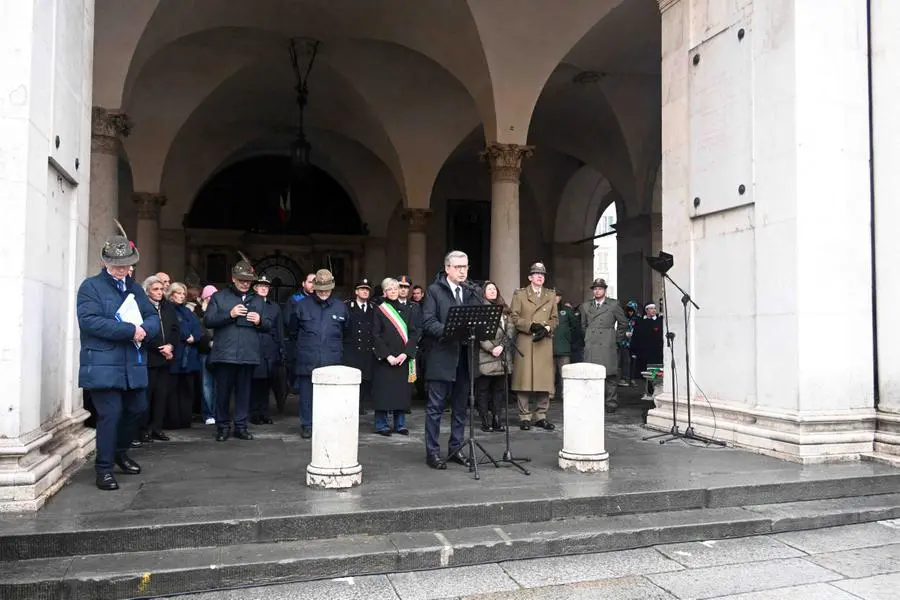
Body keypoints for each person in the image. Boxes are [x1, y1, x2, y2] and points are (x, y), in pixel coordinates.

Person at [76, 225, 160, 491]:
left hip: (131, 364)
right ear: (105, 262)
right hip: (102, 364)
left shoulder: (134, 288)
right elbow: (90, 322)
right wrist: (130, 330)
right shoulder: (90, 287)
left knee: (136, 409)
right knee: (110, 414)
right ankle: (103, 468)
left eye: (127, 265)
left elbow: (152, 317)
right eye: (117, 266)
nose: (123, 270)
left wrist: (145, 330)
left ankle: (120, 452)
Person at [421, 250, 481, 469]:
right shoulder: (434, 291)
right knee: (435, 407)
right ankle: (433, 453)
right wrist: (450, 331)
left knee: (460, 408)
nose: (462, 271)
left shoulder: (472, 291)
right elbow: (428, 322)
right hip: (442, 357)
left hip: (465, 357)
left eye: (465, 267)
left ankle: (456, 448)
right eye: (458, 267)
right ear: (447, 268)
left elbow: (481, 317)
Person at [204, 257, 270, 441]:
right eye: (241, 280)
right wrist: (229, 314)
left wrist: (260, 321)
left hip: (248, 354)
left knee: (244, 393)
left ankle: (241, 426)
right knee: (222, 393)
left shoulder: (258, 300)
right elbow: (208, 320)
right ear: (233, 278)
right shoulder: (220, 297)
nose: (244, 284)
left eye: (248, 281)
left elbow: (269, 325)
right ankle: (222, 426)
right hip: (225, 354)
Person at [289, 269, 348, 439]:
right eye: (320, 289)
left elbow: (347, 331)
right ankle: (307, 425)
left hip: (331, 358)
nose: (323, 292)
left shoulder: (340, 307)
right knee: (307, 396)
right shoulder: (301, 306)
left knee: (330, 397)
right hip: (308, 358)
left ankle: (328, 424)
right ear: (314, 287)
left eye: (327, 289)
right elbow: (292, 330)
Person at [509, 262, 559, 431]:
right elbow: (514, 317)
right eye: (536, 274)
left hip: (543, 341)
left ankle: (541, 416)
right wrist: (531, 325)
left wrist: (547, 328)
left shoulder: (550, 295)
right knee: (524, 381)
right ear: (530, 277)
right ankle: (524, 416)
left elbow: (554, 318)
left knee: (544, 381)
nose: (540, 277)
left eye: (542, 274)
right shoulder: (520, 295)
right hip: (526, 340)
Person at [371, 278, 419, 436]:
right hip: (386, 358)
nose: (393, 291)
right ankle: (381, 424)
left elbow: (414, 333)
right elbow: (375, 335)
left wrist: (406, 353)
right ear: (384, 292)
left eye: (395, 288)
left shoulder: (409, 309)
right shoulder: (379, 310)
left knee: (401, 392)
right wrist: (388, 356)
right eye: (389, 289)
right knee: (384, 392)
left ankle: (400, 424)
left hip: (403, 357)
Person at [139, 275, 179, 443]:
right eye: (156, 289)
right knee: (146, 396)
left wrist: (171, 346)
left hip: (165, 358)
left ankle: (157, 428)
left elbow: (176, 329)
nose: (160, 292)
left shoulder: (168, 307)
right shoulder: (142, 306)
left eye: (162, 289)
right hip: (149, 358)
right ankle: (142, 431)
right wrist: (159, 348)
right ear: (147, 291)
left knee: (162, 396)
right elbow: (142, 330)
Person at [579, 278, 628, 412]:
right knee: (591, 374)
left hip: (608, 342)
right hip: (591, 343)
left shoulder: (613, 304)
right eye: (595, 288)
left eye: (600, 288)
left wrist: (616, 339)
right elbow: (583, 326)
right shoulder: (585, 306)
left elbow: (623, 323)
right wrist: (588, 337)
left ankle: (611, 402)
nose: (597, 291)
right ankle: (593, 401)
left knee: (610, 375)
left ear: (604, 290)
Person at [475, 281, 513, 433]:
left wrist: (502, 346)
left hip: (502, 355)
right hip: (486, 355)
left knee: (499, 390)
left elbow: (510, 330)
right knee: (483, 390)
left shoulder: (504, 310)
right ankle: (485, 420)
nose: (492, 291)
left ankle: (497, 419)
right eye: (489, 289)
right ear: (483, 292)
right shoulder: (480, 309)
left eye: (494, 289)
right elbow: (480, 334)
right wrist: (492, 348)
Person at [166, 282, 204, 429]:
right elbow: (173, 327)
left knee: (187, 389)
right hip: (176, 353)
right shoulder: (168, 309)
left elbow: (197, 327)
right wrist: (186, 335)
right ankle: (173, 420)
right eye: (178, 293)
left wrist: (194, 337)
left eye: (183, 293)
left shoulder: (188, 311)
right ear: (171, 294)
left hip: (189, 355)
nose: (182, 296)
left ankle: (185, 418)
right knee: (173, 389)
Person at [250, 275, 286, 424]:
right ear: (255, 288)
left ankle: (264, 413)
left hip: (270, 348)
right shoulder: (250, 303)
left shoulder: (274, 306)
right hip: (253, 347)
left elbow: (279, 329)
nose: (264, 288)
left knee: (267, 383)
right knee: (254, 383)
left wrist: (281, 349)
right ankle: (254, 413)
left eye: (266, 286)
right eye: (261, 286)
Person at [343, 278, 375, 415]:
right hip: (352, 350)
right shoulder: (347, 306)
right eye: (362, 289)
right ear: (356, 291)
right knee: (351, 379)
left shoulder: (374, 308)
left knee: (365, 380)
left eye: (367, 289)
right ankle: (350, 404)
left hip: (367, 350)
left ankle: (360, 405)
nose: (365, 292)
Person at [283, 272, 315, 389]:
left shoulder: (320, 299)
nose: (313, 285)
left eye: (315, 282)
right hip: (298, 341)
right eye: (310, 282)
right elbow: (288, 321)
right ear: (303, 283)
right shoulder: (295, 299)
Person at [194, 285, 217, 424]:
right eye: (208, 297)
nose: (211, 299)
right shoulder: (198, 313)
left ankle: (216, 411)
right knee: (206, 385)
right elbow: (197, 332)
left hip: (218, 352)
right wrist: (208, 342)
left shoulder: (220, 312)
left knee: (218, 385)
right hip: (205, 352)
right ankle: (208, 413)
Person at [552, 289, 578, 402]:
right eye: (553, 296)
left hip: (564, 347)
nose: (555, 298)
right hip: (549, 347)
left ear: (560, 297)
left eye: (557, 296)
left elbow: (575, 327)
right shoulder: (544, 310)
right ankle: (549, 394)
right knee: (549, 373)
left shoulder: (567, 311)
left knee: (565, 373)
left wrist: (569, 339)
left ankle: (565, 393)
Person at [618, 300, 640, 387]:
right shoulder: (624, 319)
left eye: (631, 310)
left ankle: (632, 379)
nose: (630, 312)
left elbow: (640, 331)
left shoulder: (638, 319)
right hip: (624, 343)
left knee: (633, 362)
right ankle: (624, 379)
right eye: (628, 310)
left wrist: (634, 334)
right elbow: (620, 330)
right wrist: (624, 334)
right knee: (625, 361)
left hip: (634, 343)